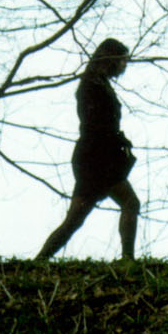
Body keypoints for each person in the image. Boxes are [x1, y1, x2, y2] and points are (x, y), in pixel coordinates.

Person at [37, 38, 141, 261]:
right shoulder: (91, 85)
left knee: (74, 220)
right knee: (130, 202)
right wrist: (114, 143)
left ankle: (38, 261)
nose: (124, 66)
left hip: (95, 156)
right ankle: (128, 260)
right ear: (110, 58)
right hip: (96, 157)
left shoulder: (98, 83)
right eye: (122, 60)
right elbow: (95, 125)